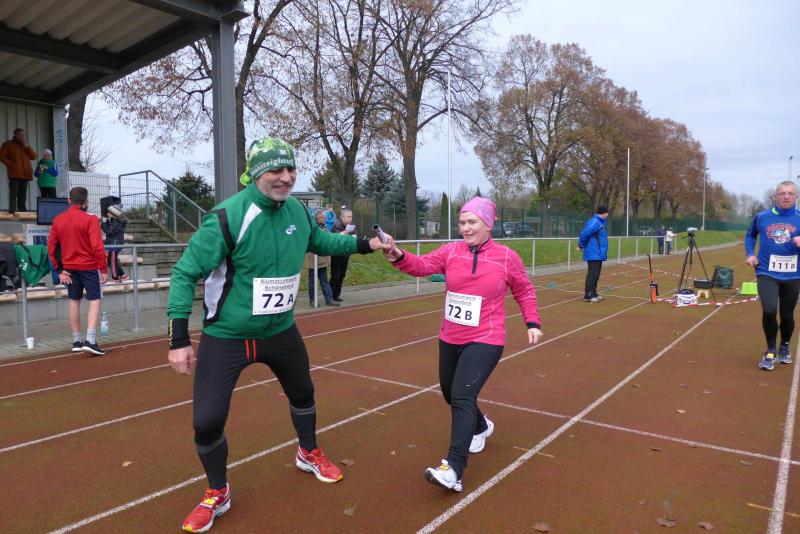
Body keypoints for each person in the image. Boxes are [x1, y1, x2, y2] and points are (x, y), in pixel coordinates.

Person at [165, 137, 389, 533]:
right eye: (276, 170)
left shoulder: (298, 211)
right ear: (255, 173)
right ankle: (218, 491)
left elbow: (321, 241)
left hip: (281, 330)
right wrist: (179, 339)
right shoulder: (227, 217)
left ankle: (308, 451)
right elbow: (184, 273)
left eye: (291, 169)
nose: (286, 177)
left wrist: (366, 244)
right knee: (207, 421)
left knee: (303, 393)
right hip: (228, 336)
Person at [378, 196, 542, 492]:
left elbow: (524, 289)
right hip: (451, 336)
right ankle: (481, 426)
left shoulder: (506, 257)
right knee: (450, 393)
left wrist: (532, 321)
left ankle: (454, 468)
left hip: (487, 337)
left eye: (472, 222)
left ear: (488, 224)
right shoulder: (451, 251)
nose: (466, 228)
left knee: (462, 396)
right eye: (462, 222)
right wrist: (396, 253)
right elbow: (421, 265)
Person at [745, 180, 800, 371]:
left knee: (787, 314)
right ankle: (770, 350)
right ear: (775, 196)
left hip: (793, 275)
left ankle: (784, 346)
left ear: (796, 197)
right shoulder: (762, 217)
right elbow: (750, 235)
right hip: (766, 271)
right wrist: (750, 254)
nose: (786, 196)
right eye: (782, 193)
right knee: (769, 310)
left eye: (790, 193)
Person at [47, 187, 108, 356]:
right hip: (88, 266)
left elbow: (51, 247)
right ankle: (90, 340)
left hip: (69, 268)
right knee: (95, 300)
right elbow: (97, 247)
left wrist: (59, 270)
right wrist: (103, 269)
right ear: (86, 202)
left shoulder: (58, 219)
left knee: (74, 300)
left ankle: (76, 340)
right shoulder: (91, 219)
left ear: (69, 200)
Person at [305, 209, 339, 306]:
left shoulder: (325, 227)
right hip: (313, 259)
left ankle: (329, 299)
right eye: (322, 217)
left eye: (324, 217)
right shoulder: (312, 227)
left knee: (324, 280)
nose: (324, 219)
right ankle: (313, 300)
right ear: (317, 218)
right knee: (312, 281)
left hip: (323, 259)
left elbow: (328, 238)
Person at [577, 205, 609, 303]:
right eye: (607, 212)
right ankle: (588, 295)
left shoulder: (600, 223)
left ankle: (594, 293)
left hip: (598, 253)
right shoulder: (595, 222)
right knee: (592, 274)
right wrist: (580, 245)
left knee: (596, 275)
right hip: (593, 253)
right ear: (604, 213)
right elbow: (585, 234)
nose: (608, 214)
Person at [0, 128, 37, 213]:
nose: (22, 136)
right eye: (20, 134)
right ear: (15, 135)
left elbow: (33, 156)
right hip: (14, 173)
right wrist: (12, 165)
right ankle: (12, 211)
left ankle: (22, 211)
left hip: (26, 174)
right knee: (13, 193)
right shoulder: (8, 144)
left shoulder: (25, 145)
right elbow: (1, 156)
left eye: (23, 134)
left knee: (23, 195)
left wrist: (26, 146)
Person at [330, 208, 356, 301]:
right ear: (342, 217)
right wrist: (345, 234)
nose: (350, 218)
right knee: (335, 275)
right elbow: (338, 238)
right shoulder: (337, 225)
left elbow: (354, 235)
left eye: (351, 217)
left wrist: (354, 236)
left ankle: (337, 295)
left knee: (342, 275)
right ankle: (331, 295)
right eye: (348, 217)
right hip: (336, 254)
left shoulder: (351, 225)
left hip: (345, 254)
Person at [101, 202, 129, 282]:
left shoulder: (117, 222)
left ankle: (115, 278)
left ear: (113, 213)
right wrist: (106, 222)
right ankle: (123, 275)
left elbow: (109, 231)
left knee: (112, 261)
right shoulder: (114, 221)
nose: (107, 214)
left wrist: (103, 223)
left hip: (115, 244)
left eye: (108, 212)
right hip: (114, 243)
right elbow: (110, 229)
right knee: (110, 260)